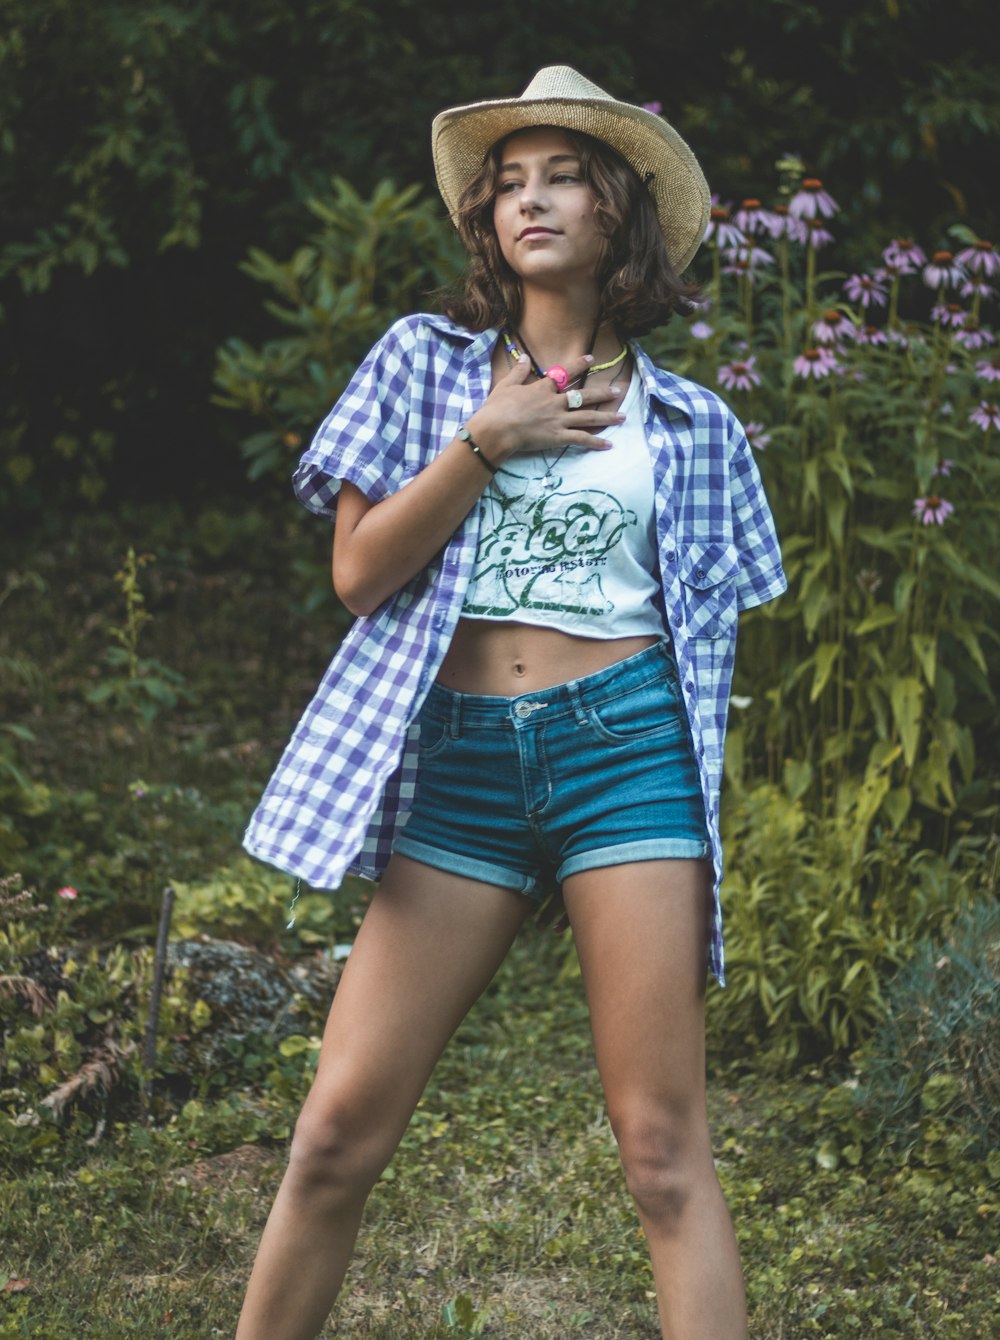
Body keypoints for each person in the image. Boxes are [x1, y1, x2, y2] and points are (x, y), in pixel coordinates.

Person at [236, 65, 786, 1340]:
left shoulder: (694, 430)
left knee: (660, 1150)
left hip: (626, 755)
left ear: (619, 217)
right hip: (462, 769)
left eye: (565, 178)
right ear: (486, 224)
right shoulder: (424, 368)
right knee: (331, 1137)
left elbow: (703, 646)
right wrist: (491, 437)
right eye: (510, 185)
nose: (531, 201)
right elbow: (360, 576)